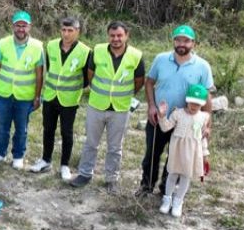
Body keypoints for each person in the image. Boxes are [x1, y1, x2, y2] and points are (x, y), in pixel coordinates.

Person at [69, 21, 144, 192]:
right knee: (90, 143)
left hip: (120, 108)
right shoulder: (98, 51)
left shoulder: (136, 55)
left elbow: (139, 81)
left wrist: (124, 94)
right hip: (97, 105)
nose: (116, 39)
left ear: (127, 35)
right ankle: (85, 174)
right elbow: (90, 75)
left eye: (119, 35)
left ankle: (111, 179)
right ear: (108, 36)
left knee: (115, 147)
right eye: (112, 35)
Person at [141, 25, 215, 197]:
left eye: (186, 41)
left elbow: (207, 95)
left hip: (185, 121)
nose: (182, 44)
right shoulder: (161, 59)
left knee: (176, 158)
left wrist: (208, 122)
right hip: (158, 118)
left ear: (193, 43)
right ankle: (146, 187)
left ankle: (166, 190)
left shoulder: (203, 66)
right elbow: (149, 82)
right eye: (178, 40)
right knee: (151, 154)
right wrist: (151, 105)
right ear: (173, 41)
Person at [33, 17, 89, 179]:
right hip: (50, 96)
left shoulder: (85, 51)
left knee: (67, 132)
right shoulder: (51, 46)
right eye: (63, 30)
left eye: (70, 30)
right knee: (48, 129)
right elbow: (50, 69)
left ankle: (64, 165)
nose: (66, 34)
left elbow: (86, 77)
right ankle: (45, 160)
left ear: (77, 31)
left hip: (69, 99)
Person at [0, 11, 44, 169]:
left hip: (24, 96)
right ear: (13, 26)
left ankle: (18, 155)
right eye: (18, 25)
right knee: (2, 126)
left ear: (29, 27)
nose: (21, 29)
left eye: (24, 26)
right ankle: (0, 153)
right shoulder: (3, 44)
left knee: (21, 128)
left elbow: (39, 75)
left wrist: (37, 96)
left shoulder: (37, 47)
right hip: (4, 94)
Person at [157, 84, 212, 218]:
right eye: (192, 103)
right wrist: (162, 116)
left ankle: (178, 201)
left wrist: (205, 154)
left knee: (185, 177)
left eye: (198, 105)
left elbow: (202, 138)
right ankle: (167, 199)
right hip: (177, 150)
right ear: (187, 100)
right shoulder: (178, 113)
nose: (194, 107)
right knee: (172, 175)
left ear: (202, 105)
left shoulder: (203, 117)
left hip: (192, 152)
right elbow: (165, 127)